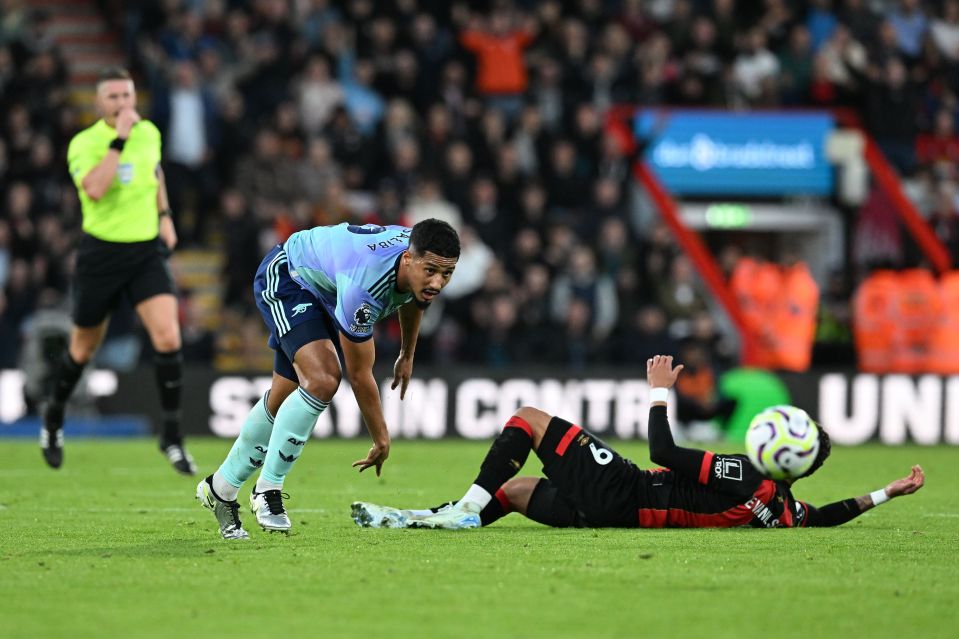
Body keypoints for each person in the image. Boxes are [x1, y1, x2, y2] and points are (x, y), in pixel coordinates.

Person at [352, 355, 925, 530]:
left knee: (527, 419)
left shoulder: (741, 474)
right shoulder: (781, 508)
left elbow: (665, 455)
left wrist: (657, 393)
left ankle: (462, 511)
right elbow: (826, 517)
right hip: (616, 518)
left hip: (627, 489)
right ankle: (426, 519)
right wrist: (886, 493)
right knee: (521, 490)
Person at [197, 219, 460, 539]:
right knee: (323, 379)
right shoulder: (364, 286)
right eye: (430, 271)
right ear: (408, 259)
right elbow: (360, 375)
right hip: (289, 276)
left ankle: (220, 488)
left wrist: (407, 352)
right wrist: (380, 437)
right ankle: (268, 489)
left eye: (446, 274)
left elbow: (415, 298)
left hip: (326, 286)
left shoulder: (417, 255)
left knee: (283, 396)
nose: (437, 282)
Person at [42, 67, 193, 475]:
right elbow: (95, 188)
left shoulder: (149, 133)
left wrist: (164, 215)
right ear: (98, 103)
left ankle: (172, 437)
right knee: (82, 348)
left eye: (128, 96)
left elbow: (154, 171)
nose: (123, 104)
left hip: (145, 251)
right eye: (113, 97)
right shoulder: (85, 143)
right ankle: (53, 421)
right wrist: (119, 139)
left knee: (167, 336)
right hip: (101, 255)